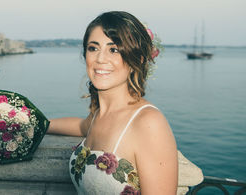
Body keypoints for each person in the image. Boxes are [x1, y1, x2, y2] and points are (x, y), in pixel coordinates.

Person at [47, 11, 178, 195]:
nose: (100, 59)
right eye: (93, 48)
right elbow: (80, 126)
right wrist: (38, 123)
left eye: (114, 49)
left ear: (137, 59)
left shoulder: (148, 123)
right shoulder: (98, 115)